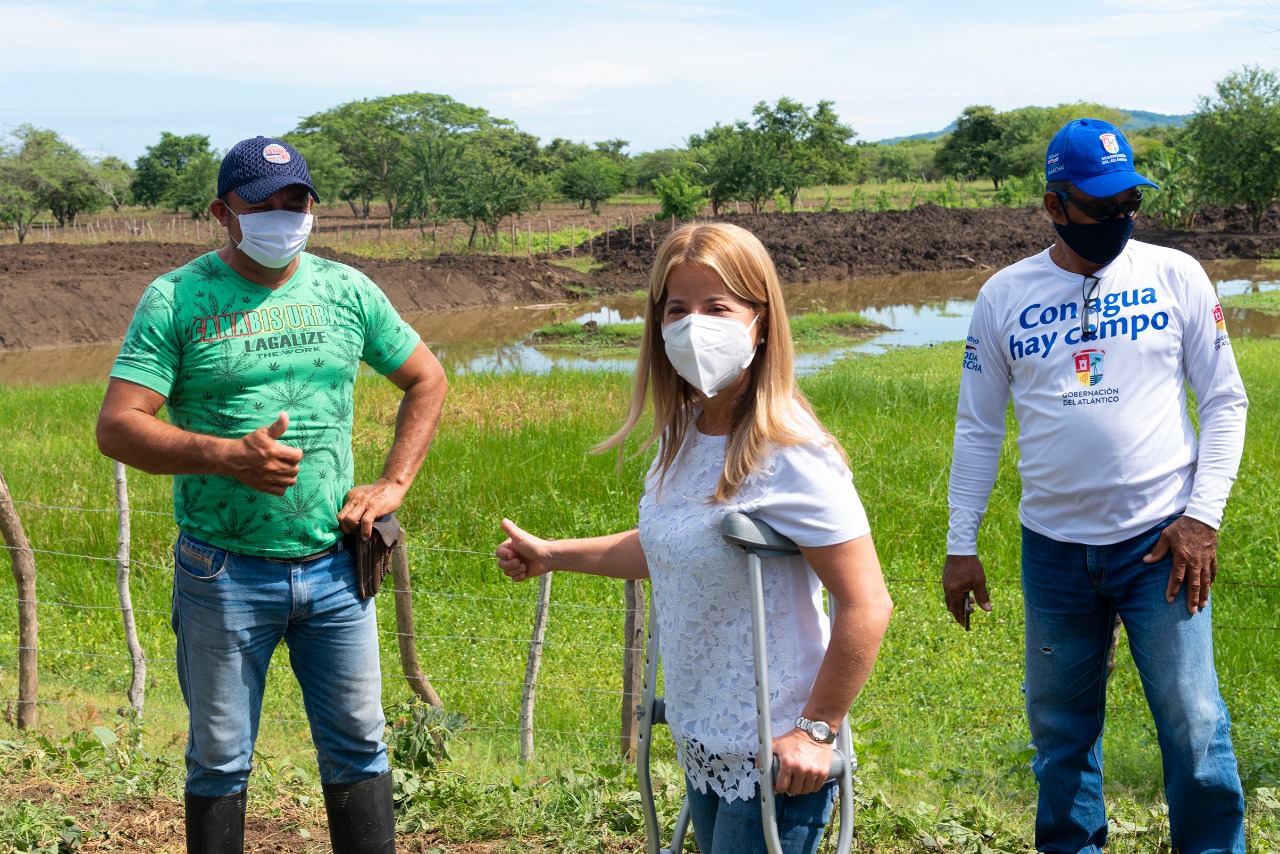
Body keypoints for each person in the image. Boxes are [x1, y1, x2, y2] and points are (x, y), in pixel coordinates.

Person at [96, 136, 448, 854]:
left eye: (298, 202)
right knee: (220, 755)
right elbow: (118, 428)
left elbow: (427, 378)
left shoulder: (346, 290)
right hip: (222, 571)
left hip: (334, 567)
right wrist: (227, 456)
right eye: (265, 204)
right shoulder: (177, 297)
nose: (285, 217)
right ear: (225, 213)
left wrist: (393, 485)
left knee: (359, 745)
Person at [495, 222, 893, 854]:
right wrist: (554, 556)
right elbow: (670, 544)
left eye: (717, 308)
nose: (693, 326)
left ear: (760, 322)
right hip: (703, 734)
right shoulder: (682, 437)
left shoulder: (791, 450)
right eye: (677, 309)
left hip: (775, 751)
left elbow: (867, 602)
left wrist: (817, 731)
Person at [941, 118, 1248, 853]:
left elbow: (1225, 401)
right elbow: (979, 427)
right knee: (1060, 735)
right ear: (1054, 205)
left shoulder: (1175, 275)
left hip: (1160, 544)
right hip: (1054, 553)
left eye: (1128, 203)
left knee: (1194, 724)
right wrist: (961, 543)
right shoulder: (1004, 296)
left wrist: (1201, 518)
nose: (1119, 219)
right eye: (1098, 207)